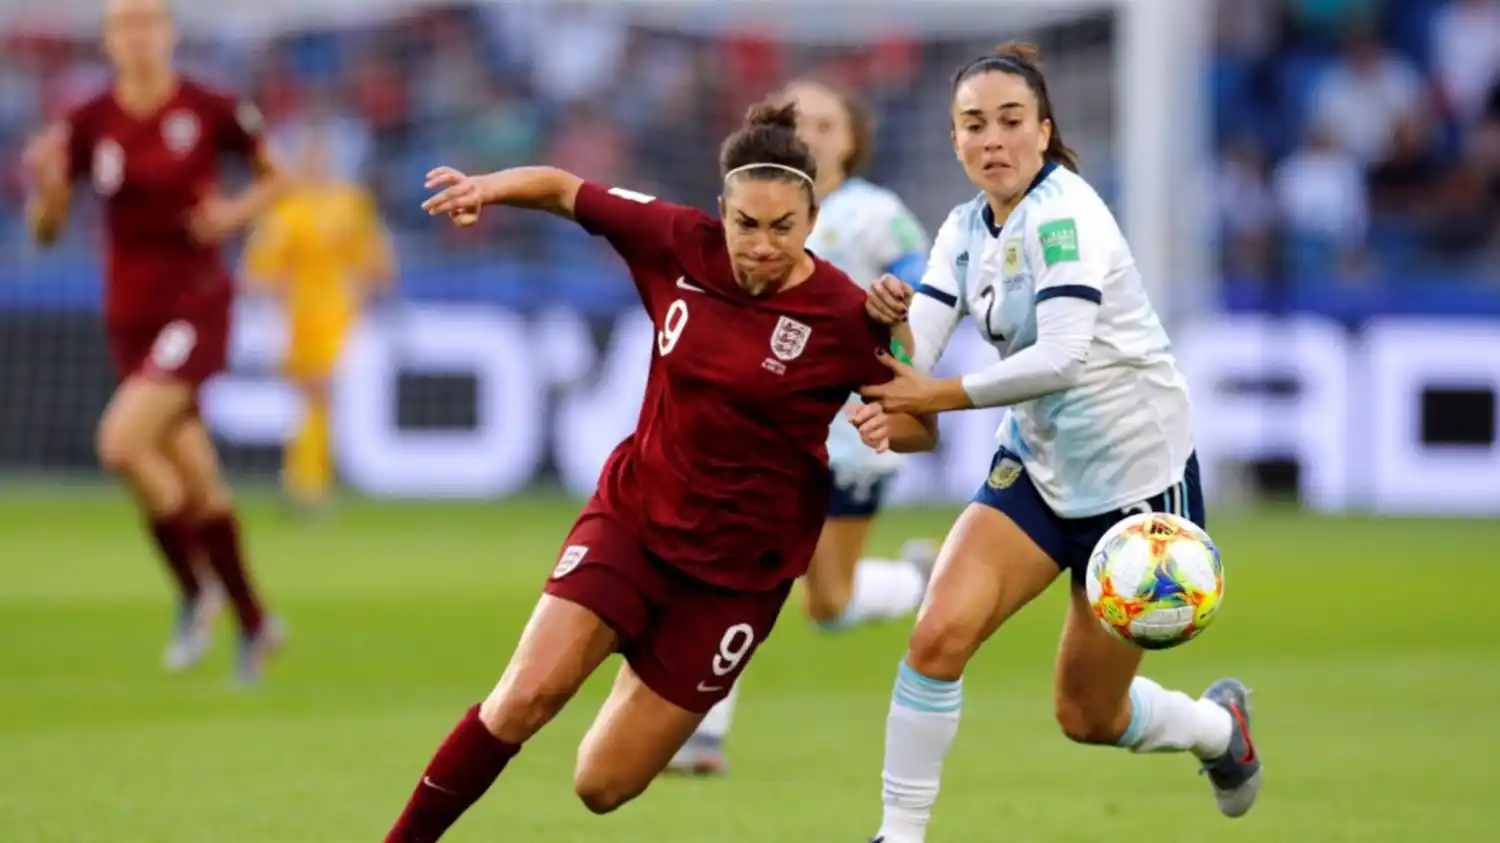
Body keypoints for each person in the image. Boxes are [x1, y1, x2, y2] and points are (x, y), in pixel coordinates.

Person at [380, 99, 922, 842]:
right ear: (722, 210)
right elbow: (567, 190)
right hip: (634, 522)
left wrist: (891, 397)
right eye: (746, 224)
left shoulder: (843, 313)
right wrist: (489, 187)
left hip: (738, 575)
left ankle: (642, 654)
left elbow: (918, 423)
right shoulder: (676, 241)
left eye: (783, 227)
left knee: (602, 784)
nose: (762, 246)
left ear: (812, 219)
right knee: (523, 697)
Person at [852, 43, 1262, 843]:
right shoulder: (964, 228)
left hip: (1137, 487)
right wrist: (892, 329)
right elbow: (916, 359)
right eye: (974, 125)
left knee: (1087, 713)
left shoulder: (1067, 214)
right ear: (954, 138)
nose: (992, 140)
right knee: (936, 634)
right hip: (1036, 470)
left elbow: (1063, 357)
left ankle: (1219, 731)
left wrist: (926, 395)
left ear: (1044, 132)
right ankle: (898, 835)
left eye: (1010, 122)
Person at [670, 79, 938, 777]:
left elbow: (923, 289)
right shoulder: (761, 205)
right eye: (798, 122)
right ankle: (701, 731)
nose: (813, 133)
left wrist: (898, 319)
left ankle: (917, 581)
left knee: (828, 600)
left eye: (827, 122)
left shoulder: (878, 215)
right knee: (733, 562)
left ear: (852, 138)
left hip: (850, 429)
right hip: (772, 421)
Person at [21, 0, 284, 683]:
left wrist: (233, 214)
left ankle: (197, 591)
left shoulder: (209, 107)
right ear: (109, 41)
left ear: (168, 34)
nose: (139, 39)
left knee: (120, 443)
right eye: (125, 27)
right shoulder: (88, 123)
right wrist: (47, 191)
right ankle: (256, 623)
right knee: (198, 481)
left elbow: (275, 177)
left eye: (150, 24)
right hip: (129, 315)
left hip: (194, 304)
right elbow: (45, 233)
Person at [241, 121, 394, 514]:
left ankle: (308, 484)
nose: (315, 162)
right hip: (294, 319)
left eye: (320, 154)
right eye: (308, 155)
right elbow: (260, 269)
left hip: (340, 316)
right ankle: (307, 481)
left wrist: (374, 286)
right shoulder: (288, 207)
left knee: (321, 394)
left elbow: (374, 259)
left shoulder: (349, 203)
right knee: (311, 399)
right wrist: (268, 291)